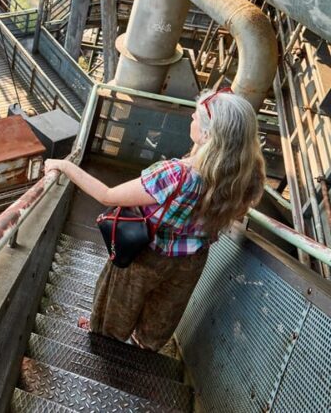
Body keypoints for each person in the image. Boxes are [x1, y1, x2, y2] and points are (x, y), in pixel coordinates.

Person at [44, 88, 265, 351]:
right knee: (163, 313)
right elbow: (235, 214)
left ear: (207, 135)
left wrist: (66, 166)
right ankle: (143, 349)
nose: (192, 116)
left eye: (197, 117)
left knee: (119, 303)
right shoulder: (246, 177)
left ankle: (104, 341)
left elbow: (107, 195)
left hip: (147, 254)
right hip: (191, 261)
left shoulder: (175, 174)